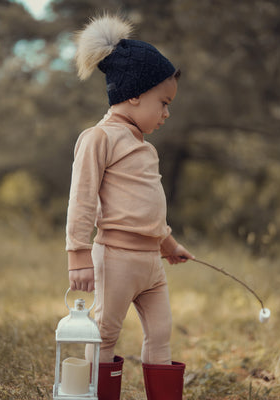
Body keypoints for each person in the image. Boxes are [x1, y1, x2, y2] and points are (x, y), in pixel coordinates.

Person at [66, 14, 195, 400]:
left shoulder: (145, 148)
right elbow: (82, 198)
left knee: (161, 333)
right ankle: (95, 393)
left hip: (151, 266)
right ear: (135, 93)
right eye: (164, 102)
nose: (167, 113)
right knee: (105, 331)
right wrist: (78, 254)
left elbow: (149, 209)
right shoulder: (99, 138)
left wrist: (168, 245)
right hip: (117, 259)